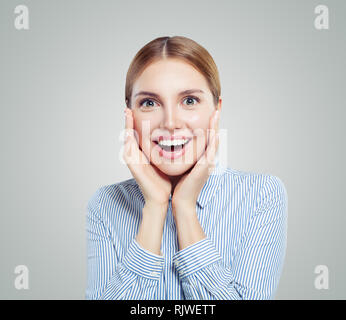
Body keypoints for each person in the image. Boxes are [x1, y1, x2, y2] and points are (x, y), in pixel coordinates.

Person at [86, 36, 288, 300]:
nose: (170, 123)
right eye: (149, 103)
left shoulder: (262, 195)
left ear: (216, 109)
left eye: (190, 100)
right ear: (130, 116)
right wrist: (155, 207)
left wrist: (184, 209)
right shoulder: (105, 204)